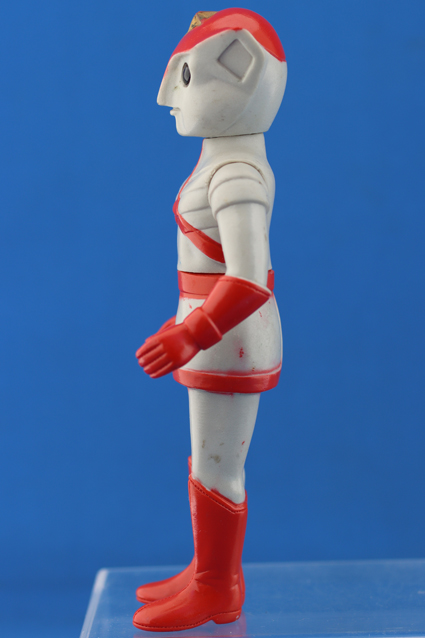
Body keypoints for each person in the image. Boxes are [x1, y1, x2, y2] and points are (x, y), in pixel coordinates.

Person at [134, 8, 287, 632]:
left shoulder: (236, 172)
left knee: (216, 464)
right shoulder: (224, 161)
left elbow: (249, 277)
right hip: (214, 331)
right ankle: (208, 568)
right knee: (208, 457)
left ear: (241, 71)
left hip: (227, 337)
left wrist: (191, 333)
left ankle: (217, 587)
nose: (168, 96)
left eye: (186, 77)